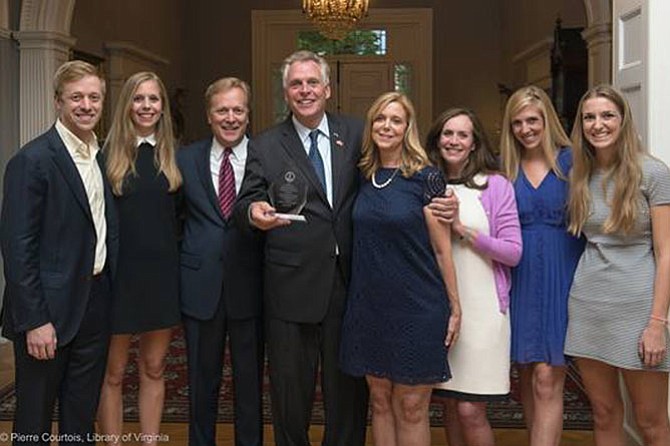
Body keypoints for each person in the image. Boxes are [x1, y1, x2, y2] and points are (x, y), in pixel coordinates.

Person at [234, 50, 368, 446]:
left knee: (348, 392)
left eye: (312, 83)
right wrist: (254, 213)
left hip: (348, 283)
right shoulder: (265, 144)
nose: (305, 90)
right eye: (296, 84)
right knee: (290, 393)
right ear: (285, 92)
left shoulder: (358, 133)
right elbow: (246, 202)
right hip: (290, 285)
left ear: (328, 89)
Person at [0, 60, 118, 444]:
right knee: (34, 418)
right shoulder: (32, 161)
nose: (86, 105)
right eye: (76, 97)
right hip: (46, 311)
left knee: (80, 415)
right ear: (58, 102)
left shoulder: (100, 156)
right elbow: (18, 248)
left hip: (95, 302)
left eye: (94, 97)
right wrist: (34, 320)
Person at [339, 92, 461, 446]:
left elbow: (442, 249)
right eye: (380, 118)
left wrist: (455, 306)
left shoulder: (427, 179)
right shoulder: (361, 175)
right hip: (369, 307)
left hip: (418, 307)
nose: (386, 126)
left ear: (407, 128)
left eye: (395, 120)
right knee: (378, 401)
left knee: (410, 406)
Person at [565, 85, 670, 446]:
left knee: (651, 421)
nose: (598, 124)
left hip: (638, 310)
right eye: (589, 117)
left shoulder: (653, 173)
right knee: (605, 413)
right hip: (588, 307)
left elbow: (666, 251)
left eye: (607, 115)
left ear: (623, 120)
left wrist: (657, 324)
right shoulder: (580, 175)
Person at [425, 108, 522, 446]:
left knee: (470, 409)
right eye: (447, 133)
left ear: (474, 143)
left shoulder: (496, 185)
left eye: (462, 135)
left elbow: (512, 252)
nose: (453, 141)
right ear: (437, 139)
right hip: (438, 309)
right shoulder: (426, 183)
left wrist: (462, 230)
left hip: (483, 313)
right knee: (449, 405)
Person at [96, 71, 181, 445]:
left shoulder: (174, 158)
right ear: (126, 104)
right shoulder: (104, 157)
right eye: (139, 99)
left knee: (154, 366)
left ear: (162, 107)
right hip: (117, 280)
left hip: (161, 279)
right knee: (112, 373)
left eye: (154, 99)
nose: (146, 106)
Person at [178, 77, 264, 446]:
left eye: (238, 110)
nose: (230, 117)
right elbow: (173, 220)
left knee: (250, 383)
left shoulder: (268, 155)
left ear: (248, 114)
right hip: (200, 286)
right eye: (222, 110)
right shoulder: (185, 159)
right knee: (201, 380)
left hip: (252, 284)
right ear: (209, 115)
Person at [499, 85, 585, 446]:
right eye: (517, 122)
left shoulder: (574, 162)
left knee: (549, 377)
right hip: (517, 277)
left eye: (532, 120)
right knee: (527, 376)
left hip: (562, 274)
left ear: (547, 119)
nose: (525, 129)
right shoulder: (504, 167)